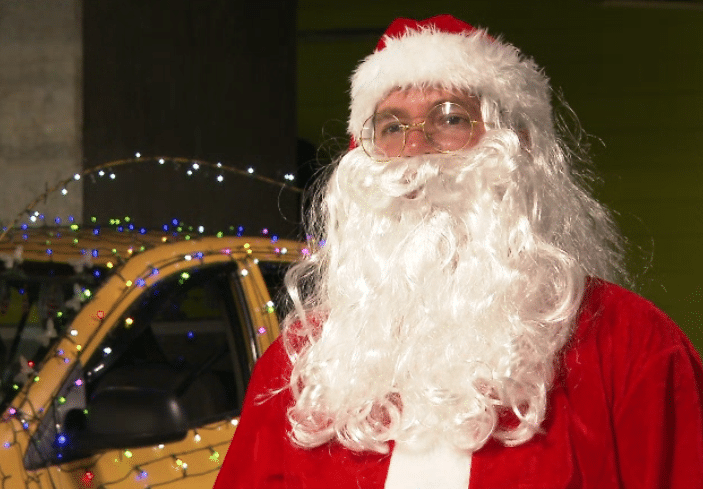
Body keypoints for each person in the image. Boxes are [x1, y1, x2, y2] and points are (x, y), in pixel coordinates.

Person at [213, 14, 703, 489]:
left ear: (522, 149)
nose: (416, 148)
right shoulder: (307, 364)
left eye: (449, 119)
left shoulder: (634, 345)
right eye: (391, 126)